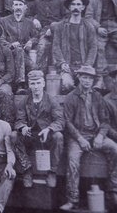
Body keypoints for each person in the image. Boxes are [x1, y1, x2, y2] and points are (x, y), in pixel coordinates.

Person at [60, 65, 117, 210]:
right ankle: (72, 199)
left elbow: (105, 121)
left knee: (114, 149)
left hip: (95, 134)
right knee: (73, 160)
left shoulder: (97, 96)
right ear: (79, 78)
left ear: (93, 81)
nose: (87, 81)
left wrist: (100, 136)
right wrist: (80, 139)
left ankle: (113, 190)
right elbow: (67, 122)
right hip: (78, 136)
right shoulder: (71, 97)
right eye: (84, 77)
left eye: (90, 78)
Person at [13, 70, 64, 188]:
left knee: (59, 136)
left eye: (38, 83)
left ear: (43, 84)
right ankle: (27, 170)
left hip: (46, 137)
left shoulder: (51, 100)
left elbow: (60, 121)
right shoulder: (24, 101)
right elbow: (19, 120)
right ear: (29, 85)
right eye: (32, 83)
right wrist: (23, 127)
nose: (36, 87)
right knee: (13, 136)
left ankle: (52, 172)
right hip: (30, 137)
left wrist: (49, 129)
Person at [52, 0, 97, 94]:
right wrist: (62, 63)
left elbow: (93, 47)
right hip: (67, 66)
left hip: (83, 66)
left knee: (85, 86)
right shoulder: (60, 26)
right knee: (67, 84)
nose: (76, 7)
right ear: (69, 7)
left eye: (78, 4)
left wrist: (87, 65)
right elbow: (56, 46)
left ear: (83, 7)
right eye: (73, 4)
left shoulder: (89, 26)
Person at [0, 0, 38, 94]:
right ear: (12, 7)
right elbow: (0, 38)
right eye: (15, 5)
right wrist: (10, 44)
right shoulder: (4, 21)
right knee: (18, 50)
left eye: (20, 5)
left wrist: (31, 42)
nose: (18, 7)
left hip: (23, 54)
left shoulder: (29, 23)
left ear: (25, 7)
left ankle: (32, 90)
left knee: (33, 67)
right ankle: (20, 84)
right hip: (7, 52)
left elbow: (36, 37)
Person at [86, 0, 117, 90]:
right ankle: (100, 79)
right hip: (101, 28)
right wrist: (98, 27)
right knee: (98, 48)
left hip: (115, 27)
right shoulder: (94, 0)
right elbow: (88, 16)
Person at [28, 0, 66, 72]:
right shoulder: (37, 2)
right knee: (42, 46)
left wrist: (54, 27)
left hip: (59, 30)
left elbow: (66, 17)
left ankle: (60, 73)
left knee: (58, 50)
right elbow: (27, 15)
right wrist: (33, 19)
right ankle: (40, 74)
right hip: (43, 32)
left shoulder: (60, 1)